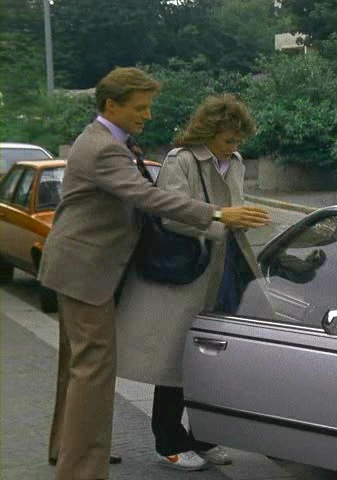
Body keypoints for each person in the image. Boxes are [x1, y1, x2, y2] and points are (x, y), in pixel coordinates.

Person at [39, 68, 269, 480]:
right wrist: (218, 214)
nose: (147, 115)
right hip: (86, 272)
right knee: (94, 371)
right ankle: (82, 469)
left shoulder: (111, 142)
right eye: (140, 108)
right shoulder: (104, 148)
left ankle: (67, 448)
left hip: (83, 267)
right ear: (112, 105)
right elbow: (147, 197)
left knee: (76, 368)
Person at [114, 94, 270, 471]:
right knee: (174, 359)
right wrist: (222, 219)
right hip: (187, 271)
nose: (233, 146)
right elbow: (169, 215)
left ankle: (203, 437)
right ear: (209, 132)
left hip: (224, 268)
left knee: (211, 358)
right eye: (228, 139)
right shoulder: (181, 159)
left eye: (238, 140)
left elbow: (236, 210)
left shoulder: (235, 162)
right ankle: (168, 441)